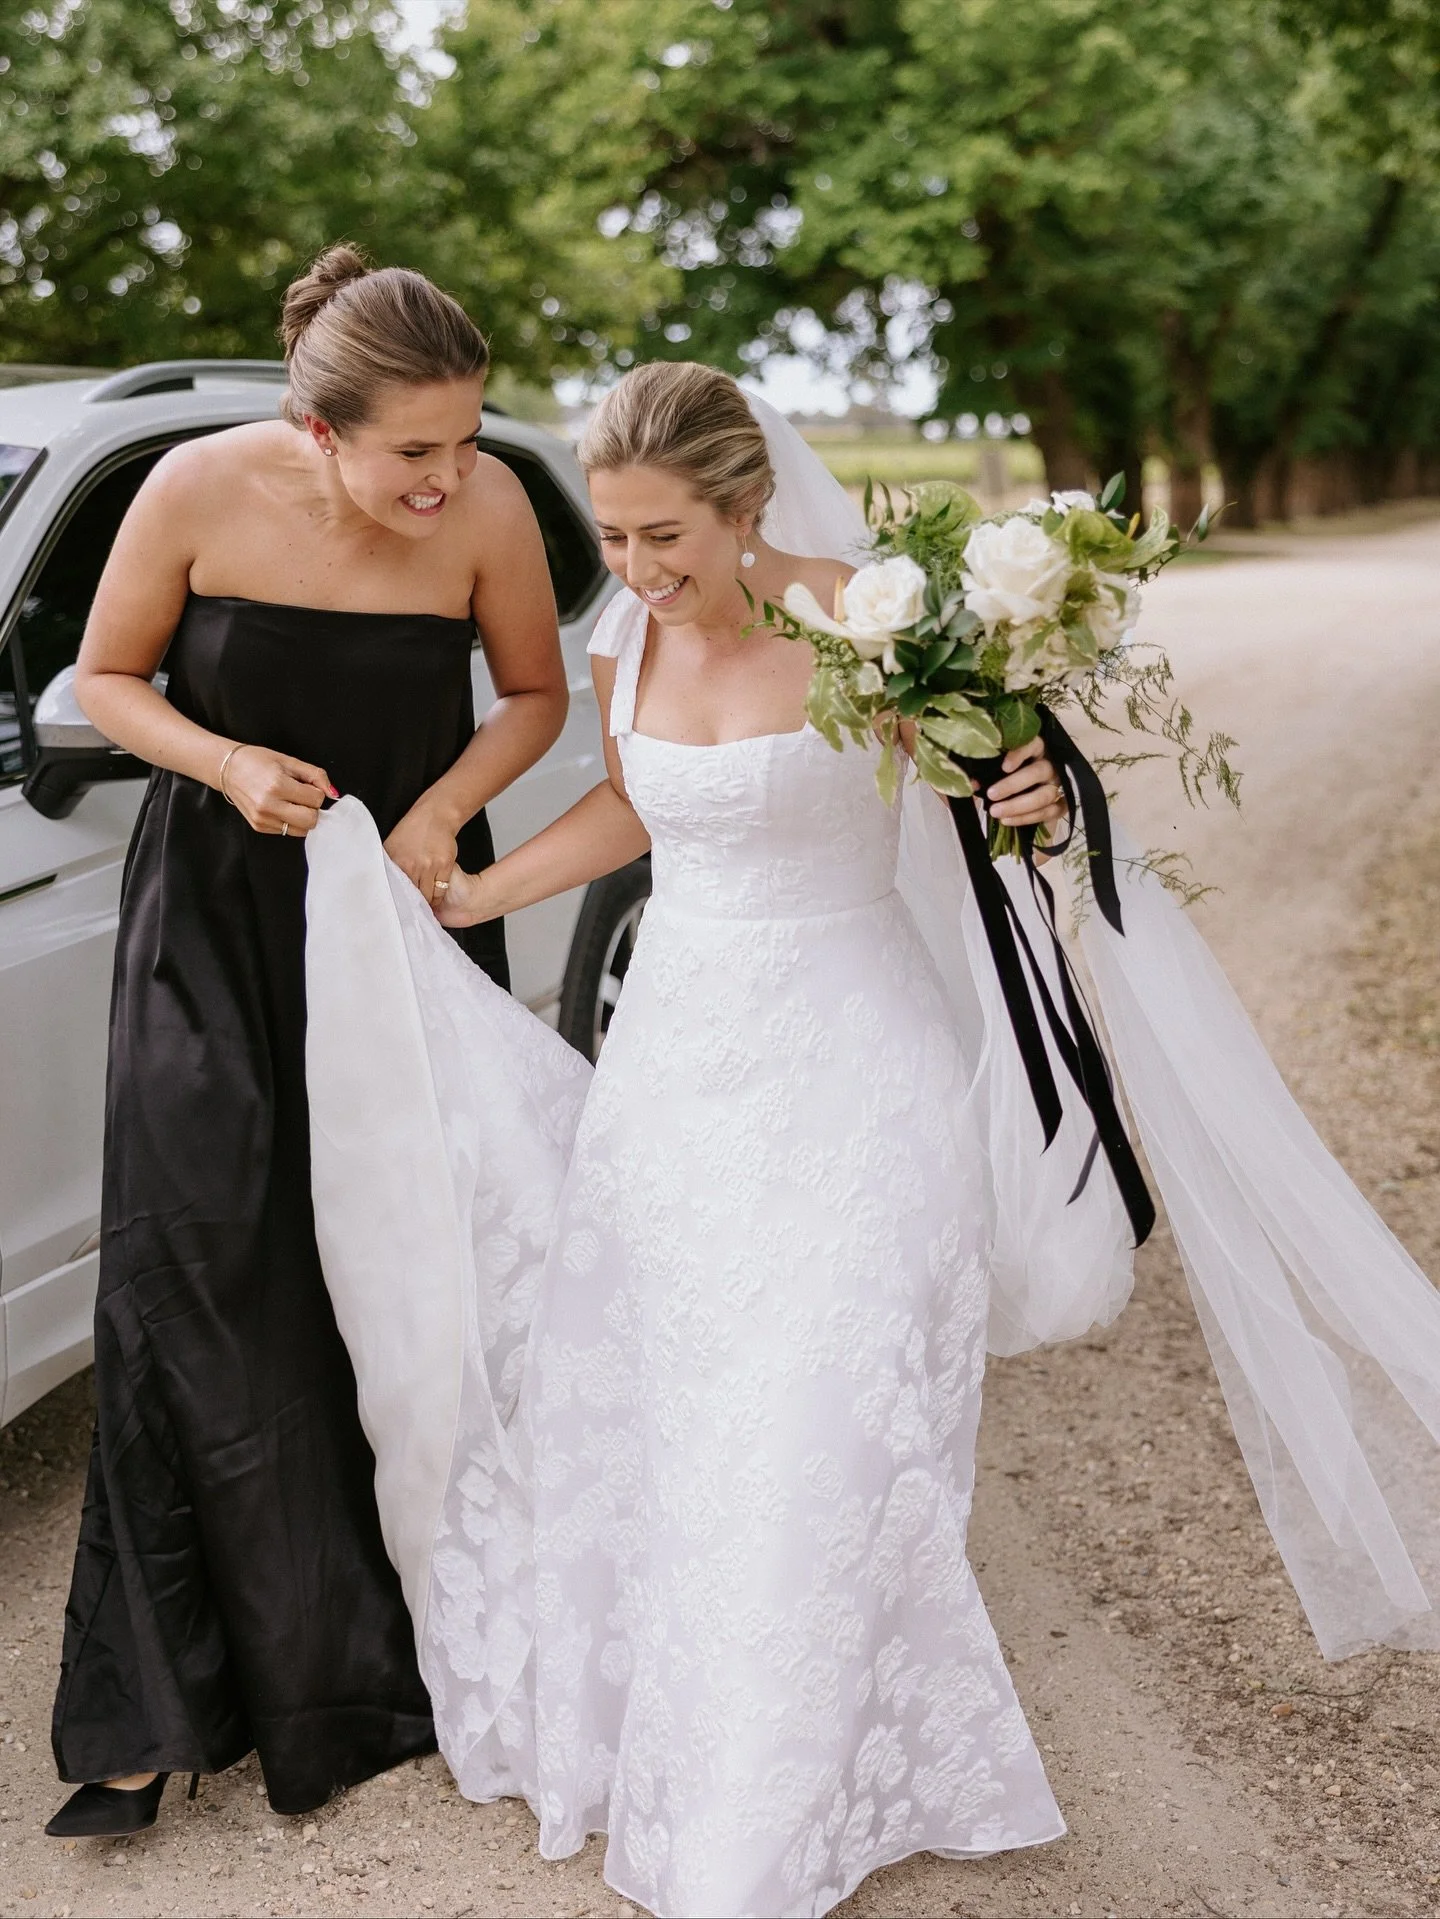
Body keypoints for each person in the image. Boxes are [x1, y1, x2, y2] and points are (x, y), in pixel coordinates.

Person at [301, 362, 1440, 1919]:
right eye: (614, 539)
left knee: (823, 1420)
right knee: (689, 1412)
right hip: (679, 1083)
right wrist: (485, 894)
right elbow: (642, 812)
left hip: (856, 1072)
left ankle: (761, 1818)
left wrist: (1035, 785)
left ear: (748, 508)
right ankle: (711, 1743)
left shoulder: (869, 623)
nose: (635, 573)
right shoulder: (624, 635)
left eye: (665, 539)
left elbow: (1000, 797)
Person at [45, 244, 568, 1838]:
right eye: (418, 449)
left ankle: (391, 1645)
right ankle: (150, 1704)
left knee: (405, 1269)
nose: (452, 475)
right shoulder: (195, 489)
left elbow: (535, 694)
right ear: (317, 423)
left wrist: (443, 808)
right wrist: (219, 762)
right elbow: (101, 676)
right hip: (209, 923)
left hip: (402, 928)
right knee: (194, 1266)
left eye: (467, 439)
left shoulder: (484, 518)